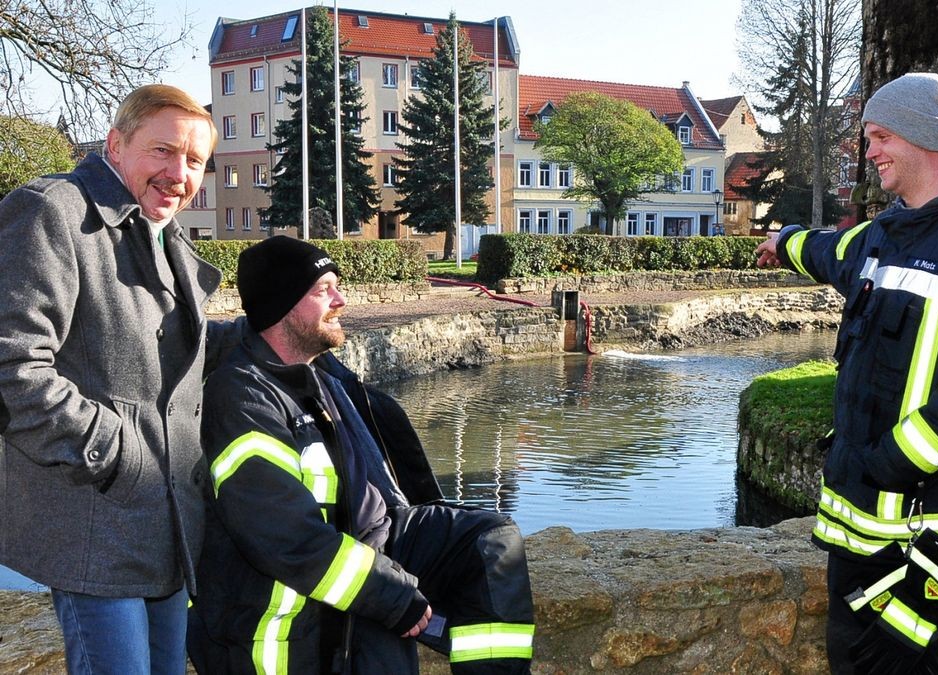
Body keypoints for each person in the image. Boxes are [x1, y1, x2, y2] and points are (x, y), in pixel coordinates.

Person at [755, 73, 938, 672]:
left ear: (923, 139)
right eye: (868, 138)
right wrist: (783, 241)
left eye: (880, 136)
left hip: (937, 536)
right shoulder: (886, 233)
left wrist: (894, 459)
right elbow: (827, 252)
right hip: (863, 531)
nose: (870, 152)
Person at [187, 236, 536, 674]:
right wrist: (392, 595)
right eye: (322, 290)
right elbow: (285, 537)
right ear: (281, 306)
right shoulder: (242, 398)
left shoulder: (323, 376)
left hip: (367, 553)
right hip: (287, 624)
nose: (341, 299)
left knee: (491, 542)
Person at [0, 84, 232, 673]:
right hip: (95, 521)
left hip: (167, 524)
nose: (178, 173)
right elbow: (12, 366)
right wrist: (118, 453)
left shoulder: (164, 237)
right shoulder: (54, 211)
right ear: (116, 144)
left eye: (195, 160)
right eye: (163, 151)